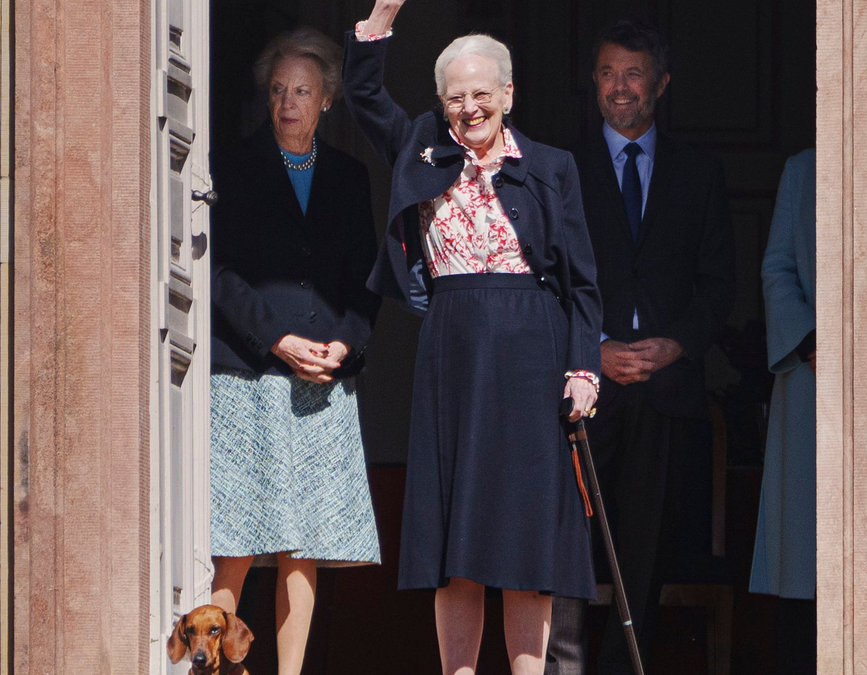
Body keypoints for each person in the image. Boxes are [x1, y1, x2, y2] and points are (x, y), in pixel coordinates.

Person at [343, 1, 603, 673]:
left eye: (482, 94)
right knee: (454, 545)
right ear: (440, 101)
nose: (469, 108)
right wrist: (378, 23)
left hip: (532, 356)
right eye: (455, 97)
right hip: (452, 353)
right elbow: (364, 96)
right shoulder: (422, 149)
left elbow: (581, 284)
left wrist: (583, 369)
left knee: (525, 547)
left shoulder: (552, 167)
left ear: (508, 94)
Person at [546, 20, 735, 675]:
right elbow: (545, 282)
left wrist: (675, 345)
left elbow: (719, 285)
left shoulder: (700, 173)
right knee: (563, 550)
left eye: (633, 73)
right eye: (607, 73)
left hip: (663, 393)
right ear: (592, 83)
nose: (619, 87)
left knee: (643, 560)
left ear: (661, 82)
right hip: (579, 392)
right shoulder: (559, 170)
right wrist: (592, 350)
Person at [207, 26, 382, 675]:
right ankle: (213, 667)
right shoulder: (233, 166)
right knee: (236, 537)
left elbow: (368, 278)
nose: (288, 102)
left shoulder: (349, 175)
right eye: (279, 90)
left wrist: (344, 344)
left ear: (327, 100)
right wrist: (276, 338)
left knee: (301, 541)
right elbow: (218, 271)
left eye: (302, 91)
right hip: (249, 375)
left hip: (321, 381)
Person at [749, 149, 816, 675]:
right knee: (803, 558)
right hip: (812, 376)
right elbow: (778, 267)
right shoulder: (801, 169)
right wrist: (810, 339)